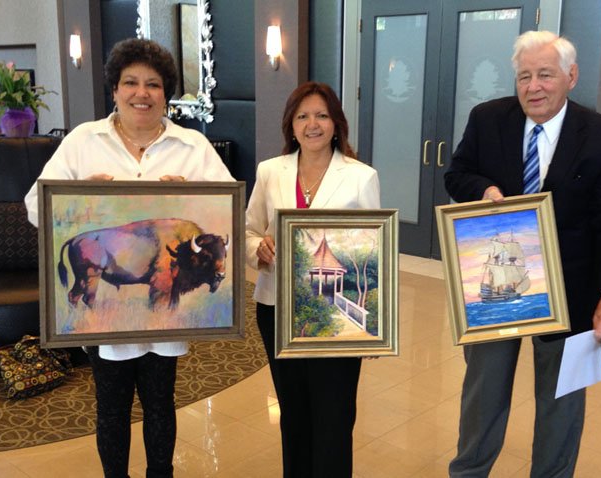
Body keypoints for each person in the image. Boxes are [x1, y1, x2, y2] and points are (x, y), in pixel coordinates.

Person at [24, 38, 234, 478]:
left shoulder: (193, 147)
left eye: (154, 84)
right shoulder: (84, 141)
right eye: (131, 82)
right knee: (111, 407)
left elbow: (224, 218)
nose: (142, 93)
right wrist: (81, 197)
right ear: (115, 89)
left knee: (161, 403)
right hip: (108, 324)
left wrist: (192, 201)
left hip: (166, 318)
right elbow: (34, 206)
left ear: (167, 92)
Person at [445, 31, 601, 477]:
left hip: (572, 289)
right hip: (494, 285)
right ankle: (469, 471)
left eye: (545, 75)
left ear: (571, 76)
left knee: (562, 404)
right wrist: (483, 189)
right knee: (482, 395)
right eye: (524, 76)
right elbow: (458, 174)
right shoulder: (487, 119)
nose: (534, 86)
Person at [245, 81, 380, 478]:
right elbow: (248, 228)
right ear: (291, 125)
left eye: (321, 115)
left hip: (336, 321)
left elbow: (372, 252)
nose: (312, 124)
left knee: (335, 417)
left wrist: (372, 321)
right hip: (277, 310)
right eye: (302, 116)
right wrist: (258, 250)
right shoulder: (270, 172)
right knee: (294, 412)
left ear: (336, 124)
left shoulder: (361, 177)